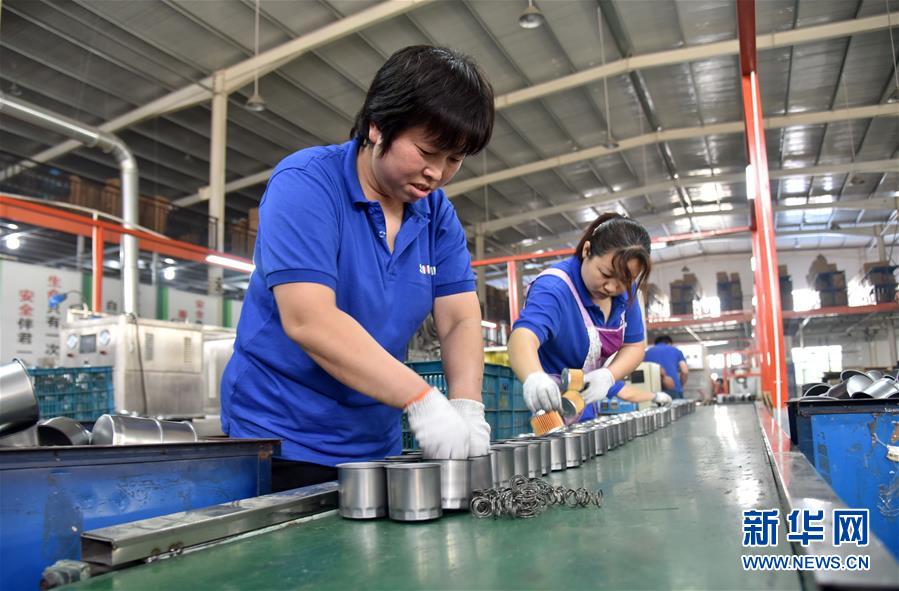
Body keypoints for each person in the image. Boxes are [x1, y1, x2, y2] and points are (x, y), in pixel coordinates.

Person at [221, 46, 495, 492]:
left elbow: (459, 318)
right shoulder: (306, 184)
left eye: (454, 160)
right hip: (282, 441)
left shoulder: (435, 215)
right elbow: (310, 319)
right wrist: (421, 398)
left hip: (374, 445)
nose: (437, 173)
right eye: (427, 151)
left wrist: (467, 404)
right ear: (377, 125)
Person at [508, 213, 668, 417]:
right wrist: (534, 377)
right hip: (544, 407)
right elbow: (523, 336)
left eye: (625, 281)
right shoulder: (554, 288)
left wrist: (608, 375)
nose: (612, 287)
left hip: (584, 406)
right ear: (587, 250)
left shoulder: (627, 293)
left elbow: (634, 346)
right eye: (606, 274)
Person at [644, 335, 689, 399]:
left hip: (652, 392)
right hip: (673, 390)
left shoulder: (647, 352)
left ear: (655, 344)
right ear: (669, 343)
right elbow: (684, 371)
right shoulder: (676, 351)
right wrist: (680, 385)